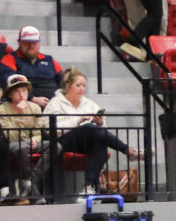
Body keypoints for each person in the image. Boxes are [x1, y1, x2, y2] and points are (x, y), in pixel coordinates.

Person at [43, 68, 142, 197]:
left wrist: (100, 123)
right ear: (67, 86)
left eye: (84, 86)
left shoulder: (88, 103)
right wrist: (77, 121)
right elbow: (49, 129)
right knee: (89, 127)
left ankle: (88, 187)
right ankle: (128, 150)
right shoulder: (55, 103)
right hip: (62, 141)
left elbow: (102, 130)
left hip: (84, 142)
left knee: (101, 146)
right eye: (78, 85)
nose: (82, 89)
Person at [0, 74, 47, 202]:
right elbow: (11, 136)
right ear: (9, 94)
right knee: (21, 147)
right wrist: (20, 114)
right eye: (17, 91)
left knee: (55, 146)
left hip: (30, 143)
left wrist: (35, 139)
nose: (21, 94)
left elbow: (37, 132)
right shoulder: (2, 110)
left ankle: (31, 180)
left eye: (24, 90)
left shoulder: (35, 108)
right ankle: (29, 185)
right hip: (13, 144)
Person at [0, 26, 62, 107]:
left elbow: (64, 81)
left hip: (54, 104)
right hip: (23, 105)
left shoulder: (50, 60)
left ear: (39, 43)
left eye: (34, 42)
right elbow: (10, 84)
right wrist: (33, 99)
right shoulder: (9, 59)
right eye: (26, 42)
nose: (30, 46)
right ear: (19, 42)